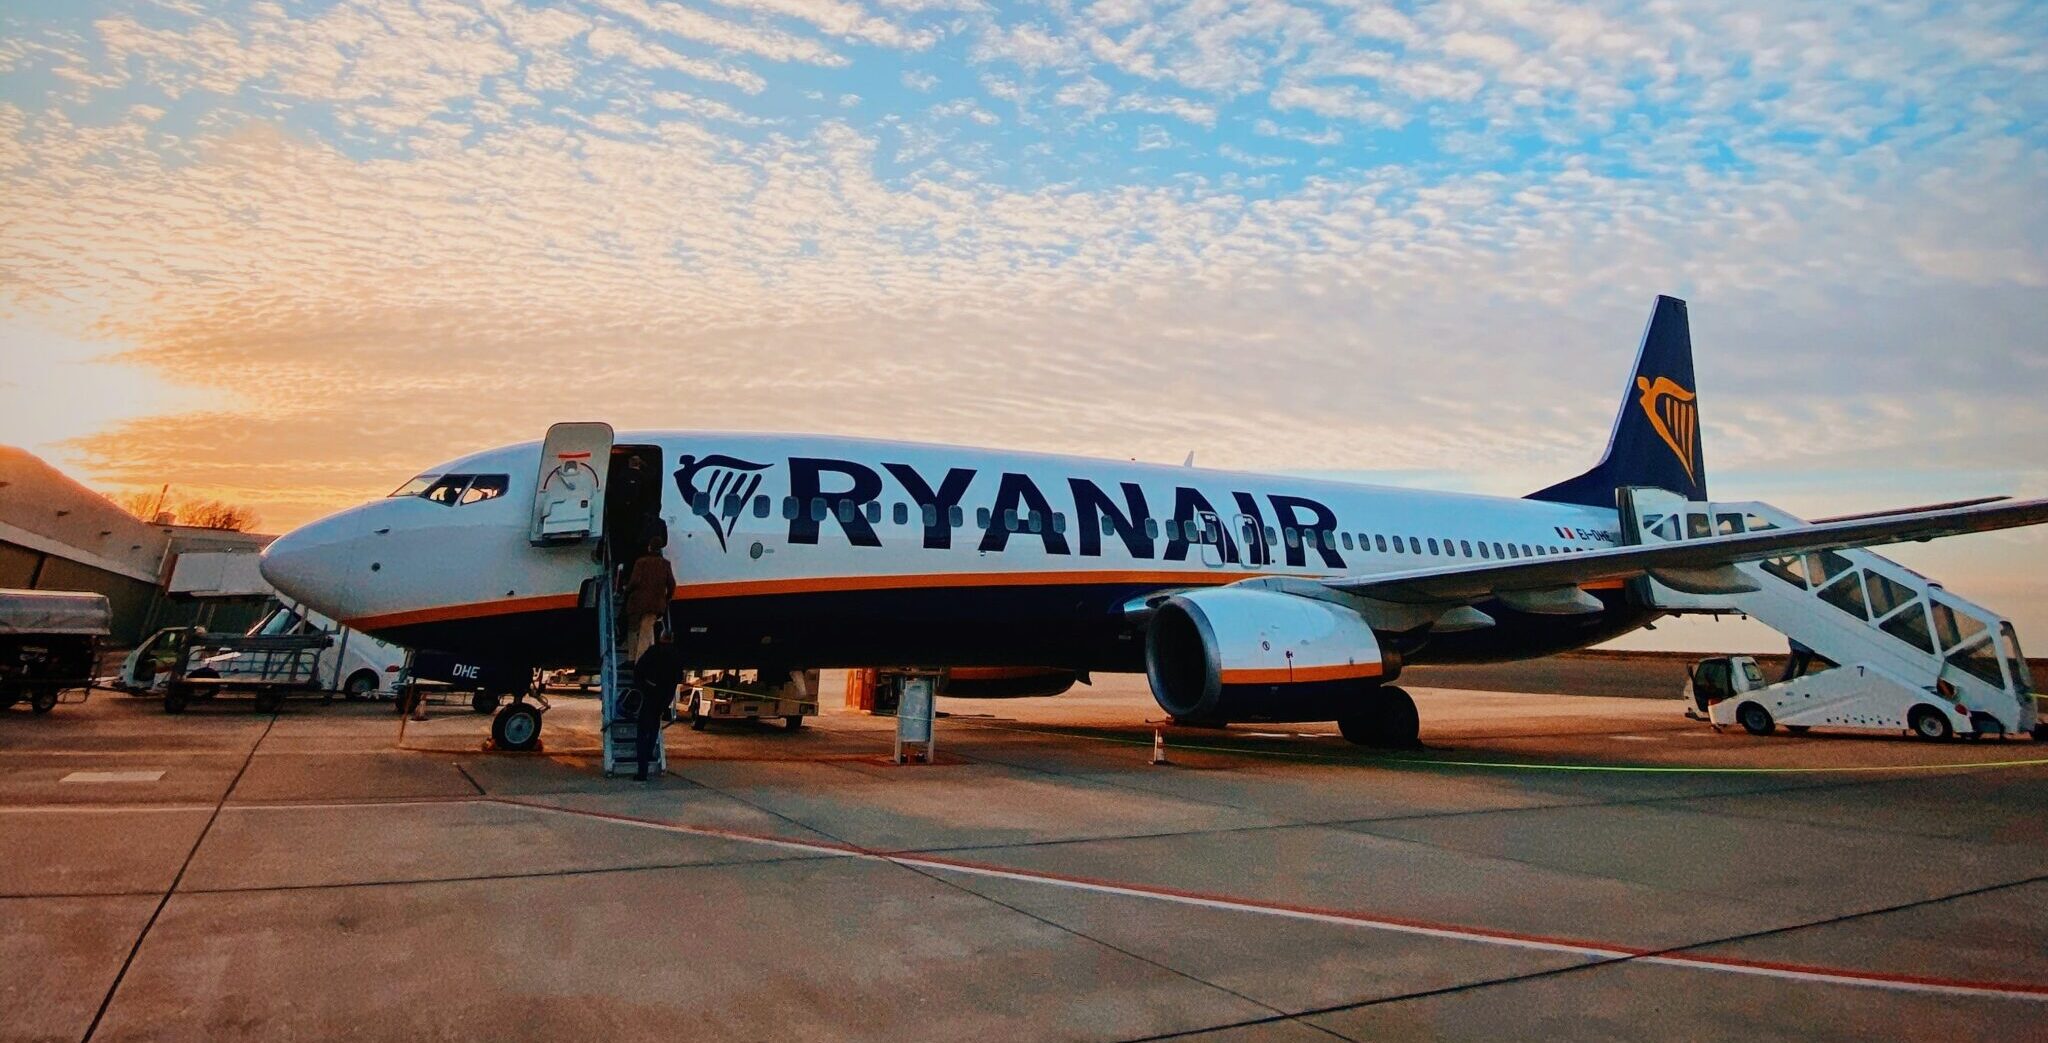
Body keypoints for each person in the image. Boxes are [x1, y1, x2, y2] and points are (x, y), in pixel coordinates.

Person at [631, 629, 683, 781]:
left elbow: (639, 669)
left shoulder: (654, 651)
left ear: (661, 638)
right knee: (654, 726)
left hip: (650, 695)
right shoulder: (677, 655)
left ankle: (642, 771)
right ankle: (650, 752)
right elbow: (678, 677)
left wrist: (641, 686)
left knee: (642, 732)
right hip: (664, 698)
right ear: (672, 639)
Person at [621, 535, 675, 660]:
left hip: (637, 603)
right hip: (655, 604)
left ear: (649, 547)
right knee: (646, 631)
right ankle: (641, 659)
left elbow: (634, 581)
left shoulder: (641, 562)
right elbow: (672, 584)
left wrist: (626, 591)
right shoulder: (665, 564)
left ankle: (633, 658)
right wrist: (666, 598)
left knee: (633, 629)